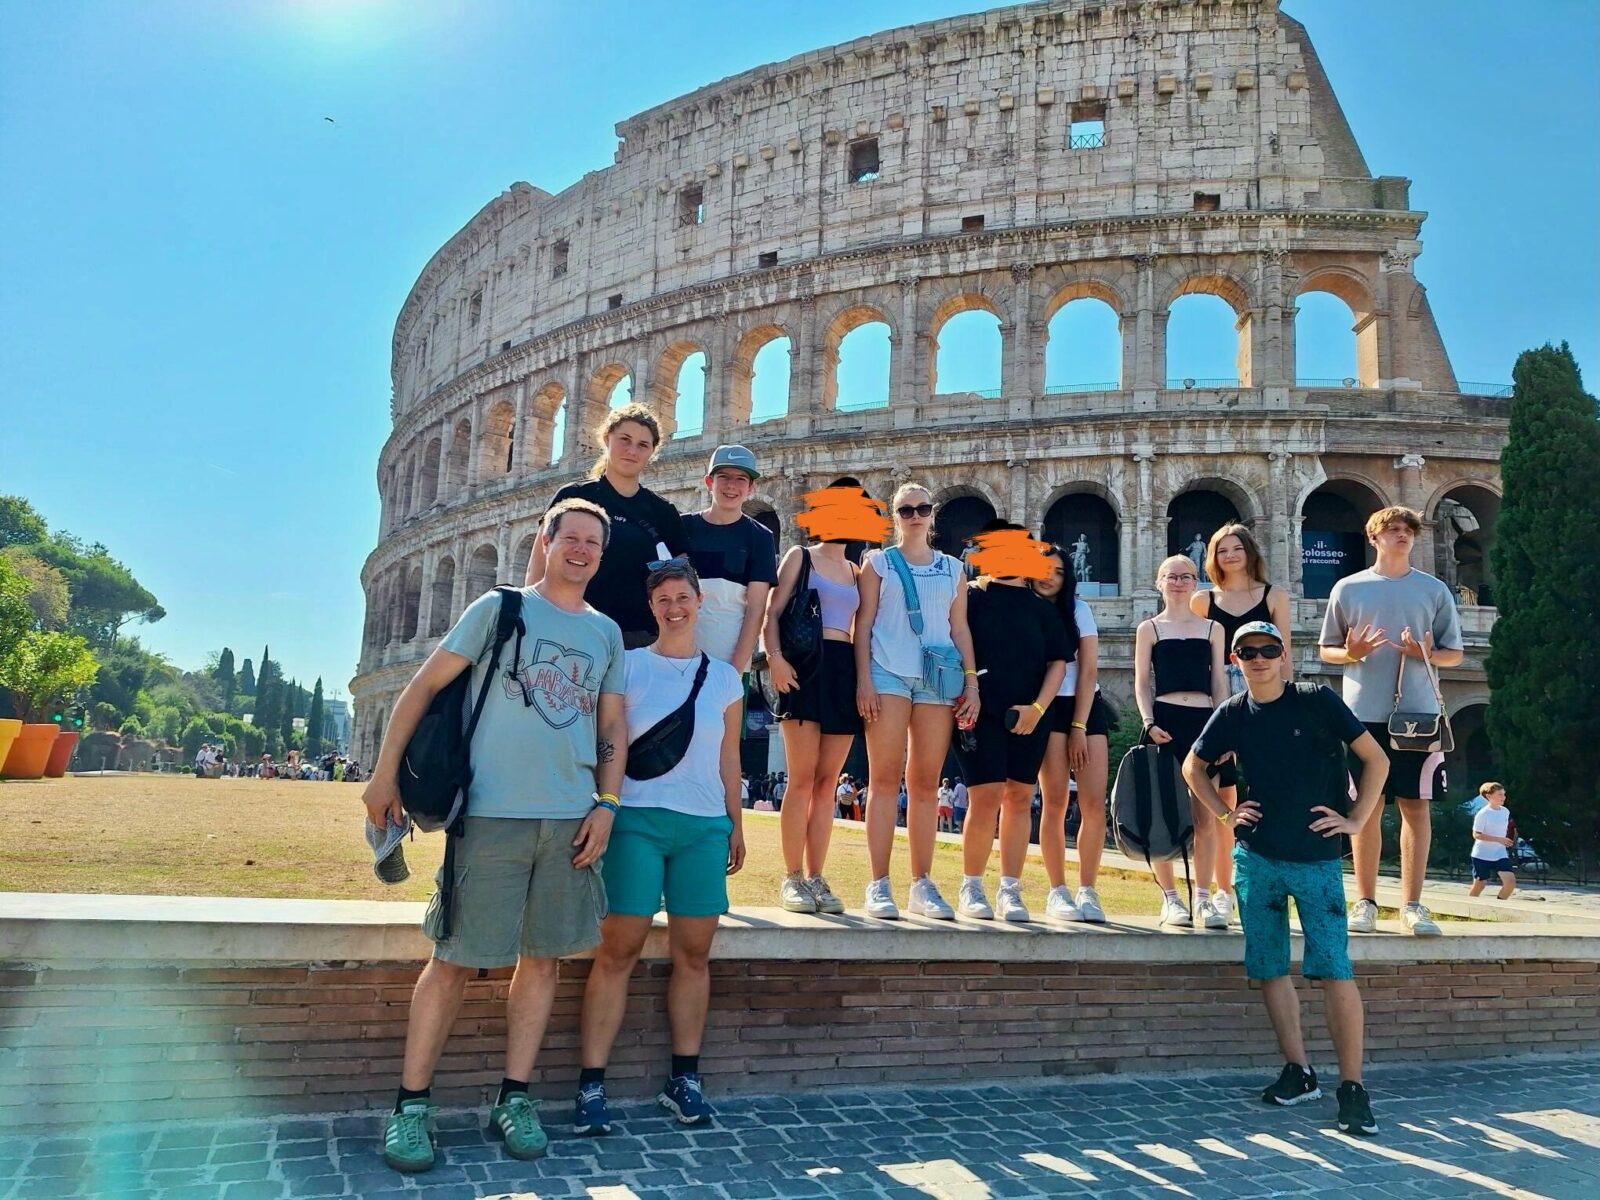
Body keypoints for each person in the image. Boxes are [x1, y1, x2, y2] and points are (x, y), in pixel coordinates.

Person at [362, 498, 627, 1173]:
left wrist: (606, 803)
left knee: (542, 961)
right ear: (545, 540)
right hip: (489, 815)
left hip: (569, 815)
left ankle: (515, 1097)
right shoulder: (500, 609)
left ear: (602, 552)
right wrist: (382, 775)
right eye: (569, 537)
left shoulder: (606, 633)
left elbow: (611, 730)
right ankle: (410, 1105)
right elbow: (420, 690)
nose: (581, 550)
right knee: (453, 959)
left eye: (592, 542)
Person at [1183, 620, 1387, 1137]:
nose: (1258, 658)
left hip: (1317, 858)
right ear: (1235, 659)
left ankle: (1352, 1087)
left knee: (1335, 969)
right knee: (1270, 966)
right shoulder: (1232, 713)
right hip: (1258, 859)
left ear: (1283, 654)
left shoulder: (1316, 699)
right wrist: (1226, 817)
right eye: (1247, 651)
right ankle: (1299, 1071)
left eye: (1268, 649)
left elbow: (1376, 759)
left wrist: (1358, 821)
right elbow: (1192, 767)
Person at [576, 559, 745, 1134]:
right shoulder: (627, 667)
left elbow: (729, 756)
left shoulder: (725, 678)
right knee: (617, 949)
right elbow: (611, 742)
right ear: (651, 608)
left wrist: (735, 822)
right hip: (639, 821)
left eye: (683, 597)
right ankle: (591, 1083)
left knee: (694, 954)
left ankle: (685, 1077)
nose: (674, 607)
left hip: (702, 826)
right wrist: (607, 804)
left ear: (700, 602)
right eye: (663, 599)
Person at [1318, 505, 1463, 937]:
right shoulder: (1348, 588)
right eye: (1392, 530)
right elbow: (1328, 648)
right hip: (1361, 714)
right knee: (1366, 807)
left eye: (1407, 530)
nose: (1401, 536)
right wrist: (1353, 653)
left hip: (1419, 714)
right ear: (1374, 537)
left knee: (1415, 806)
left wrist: (1423, 654)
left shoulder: (1434, 590)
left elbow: (1453, 654)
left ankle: (1413, 905)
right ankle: (1365, 901)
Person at [855, 483, 980, 919]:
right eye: (905, 509)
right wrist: (863, 681)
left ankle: (922, 884)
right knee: (884, 779)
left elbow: (959, 628)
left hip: (938, 679)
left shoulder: (953, 568)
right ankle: (878, 883)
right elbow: (864, 624)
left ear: (933, 514)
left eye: (922, 508)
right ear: (895, 516)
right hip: (887, 671)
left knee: (926, 783)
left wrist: (972, 683)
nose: (914, 515)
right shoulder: (878, 563)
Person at [1190, 523, 1294, 926]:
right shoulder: (1204, 601)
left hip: (1264, 690)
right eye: (1221, 550)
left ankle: (1264, 885)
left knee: (1266, 790)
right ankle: (1223, 890)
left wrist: (1287, 703)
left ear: (1250, 551)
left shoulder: (1273, 596)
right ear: (1213, 558)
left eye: (1236, 548)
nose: (1230, 556)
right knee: (1223, 800)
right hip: (1220, 699)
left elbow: (1284, 653)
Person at [955, 553, 1068, 922]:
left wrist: (1037, 709)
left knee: (1021, 796)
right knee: (984, 796)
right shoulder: (972, 596)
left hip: (1030, 714)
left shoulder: (1041, 607)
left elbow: (1058, 663)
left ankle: (1009, 888)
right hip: (979, 709)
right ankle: (971, 885)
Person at [527, 403, 689, 648]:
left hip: (638, 636)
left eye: (642, 445)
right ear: (606, 438)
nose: (632, 450)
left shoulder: (662, 511)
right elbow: (537, 567)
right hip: (570, 627)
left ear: (652, 452)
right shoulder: (573, 495)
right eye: (625, 439)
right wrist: (530, 621)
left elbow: (681, 578)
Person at [764, 523, 862, 915]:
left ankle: (816, 875)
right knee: (801, 781)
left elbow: (864, 629)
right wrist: (775, 658)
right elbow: (772, 613)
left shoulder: (858, 571)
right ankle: (791, 876)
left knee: (826, 785)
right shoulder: (800, 556)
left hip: (844, 669)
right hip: (803, 665)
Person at [1133, 555, 1228, 928]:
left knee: (1207, 816)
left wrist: (1224, 728)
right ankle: (1171, 898)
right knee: (1163, 814)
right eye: (1171, 576)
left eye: (1186, 576)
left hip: (1205, 720)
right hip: (1165, 721)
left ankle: (1203, 897)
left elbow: (1219, 681)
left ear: (1196, 583)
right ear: (1159, 582)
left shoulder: (1213, 628)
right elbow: (1142, 681)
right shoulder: (1149, 628)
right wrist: (1148, 721)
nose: (1178, 582)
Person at [1033, 544, 1115, 922]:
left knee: (1094, 803)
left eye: (1059, 572)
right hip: (1045, 709)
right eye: (1044, 569)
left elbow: (1088, 670)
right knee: (1054, 802)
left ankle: (1088, 889)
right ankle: (1057, 890)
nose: (1050, 576)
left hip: (1083, 706)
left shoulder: (1078, 609)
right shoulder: (1025, 607)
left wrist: (1079, 726)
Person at [683, 445, 776, 671]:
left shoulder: (761, 537)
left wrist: (734, 668)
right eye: (723, 477)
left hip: (729, 659)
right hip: (679, 655)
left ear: (751, 487)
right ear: (708, 482)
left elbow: (756, 608)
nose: (731, 485)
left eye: (741, 478)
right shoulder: (682, 526)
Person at [1468, 781, 1516, 900]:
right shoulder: (1483, 814)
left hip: (1499, 853)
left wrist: (1508, 839)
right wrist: (1498, 839)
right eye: (1500, 794)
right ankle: (1469, 907)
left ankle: (1499, 906)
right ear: (1489, 796)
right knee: (1480, 885)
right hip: (1482, 854)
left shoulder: (1505, 811)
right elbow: (1476, 834)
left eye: (1504, 794)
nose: (1503, 797)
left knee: (1510, 882)